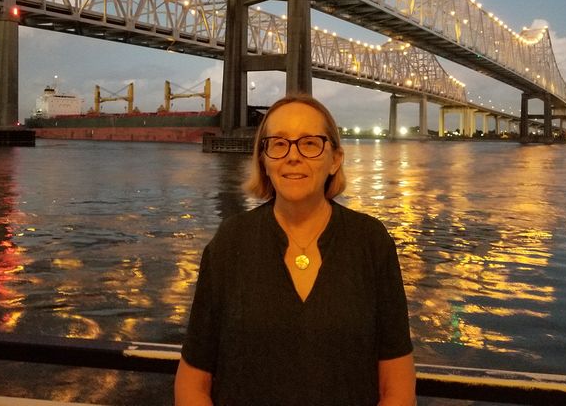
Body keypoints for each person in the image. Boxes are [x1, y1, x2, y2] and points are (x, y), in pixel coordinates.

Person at [175, 94, 415, 405]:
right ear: (263, 159)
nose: (293, 155)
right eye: (278, 143)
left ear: (335, 159)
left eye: (310, 143)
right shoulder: (230, 241)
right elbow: (193, 381)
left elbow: (397, 383)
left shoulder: (371, 241)